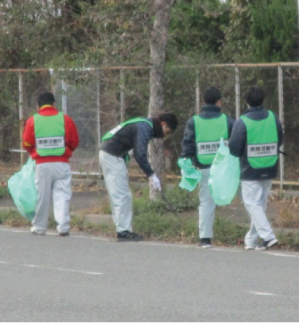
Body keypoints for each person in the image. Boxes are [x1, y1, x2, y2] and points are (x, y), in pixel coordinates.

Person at [99, 112, 178, 242]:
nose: (165, 136)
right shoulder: (145, 127)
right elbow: (140, 154)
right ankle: (123, 232)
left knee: (118, 195)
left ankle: (122, 229)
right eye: (167, 132)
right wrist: (151, 175)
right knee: (122, 195)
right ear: (163, 124)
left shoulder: (142, 123)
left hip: (108, 153)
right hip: (113, 155)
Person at [229, 86, 283, 251]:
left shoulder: (242, 121)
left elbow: (234, 147)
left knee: (252, 204)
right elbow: (280, 138)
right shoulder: (273, 118)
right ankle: (251, 240)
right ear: (263, 100)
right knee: (259, 204)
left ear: (246, 102)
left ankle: (268, 237)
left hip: (250, 169)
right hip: (270, 164)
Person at [180, 86, 235, 249]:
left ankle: (205, 239)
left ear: (203, 102)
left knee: (206, 202)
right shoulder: (228, 120)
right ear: (219, 102)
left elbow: (187, 146)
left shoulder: (194, 121)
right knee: (247, 199)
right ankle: (255, 235)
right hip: (225, 169)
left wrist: (187, 165)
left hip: (204, 168)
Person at [22, 92, 79, 236]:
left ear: (38, 106)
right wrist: (66, 151)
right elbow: (74, 141)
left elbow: (27, 143)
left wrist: (34, 153)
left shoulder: (32, 121)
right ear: (54, 104)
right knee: (62, 195)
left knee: (42, 196)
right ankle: (63, 227)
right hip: (61, 163)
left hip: (42, 164)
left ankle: (40, 227)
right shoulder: (65, 119)